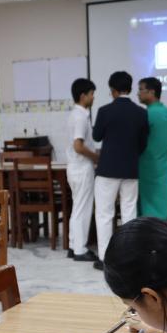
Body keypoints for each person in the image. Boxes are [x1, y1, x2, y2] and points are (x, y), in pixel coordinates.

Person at [92, 71, 149, 271]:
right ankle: (128, 257)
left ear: (113, 90)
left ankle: (104, 258)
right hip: (130, 169)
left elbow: (96, 136)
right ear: (130, 88)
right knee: (129, 212)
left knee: (104, 213)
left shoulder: (105, 111)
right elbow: (143, 144)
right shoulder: (141, 112)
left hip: (107, 169)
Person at [66, 78, 99, 262]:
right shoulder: (80, 117)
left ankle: (73, 245)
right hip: (81, 167)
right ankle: (80, 249)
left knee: (77, 207)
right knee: (83, 209)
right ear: (83, 96)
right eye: (92, 94)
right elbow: (78, 146)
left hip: (74, 167)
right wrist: (96, 157)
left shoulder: (74, 115)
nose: (93, 97)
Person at [137, 77, 167, 219]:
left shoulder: (145, 115)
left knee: (147, 208)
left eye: (141, 89)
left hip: (146, 166)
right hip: (164, 165)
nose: (138, 93)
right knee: (162, 205)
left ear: (152, 92)